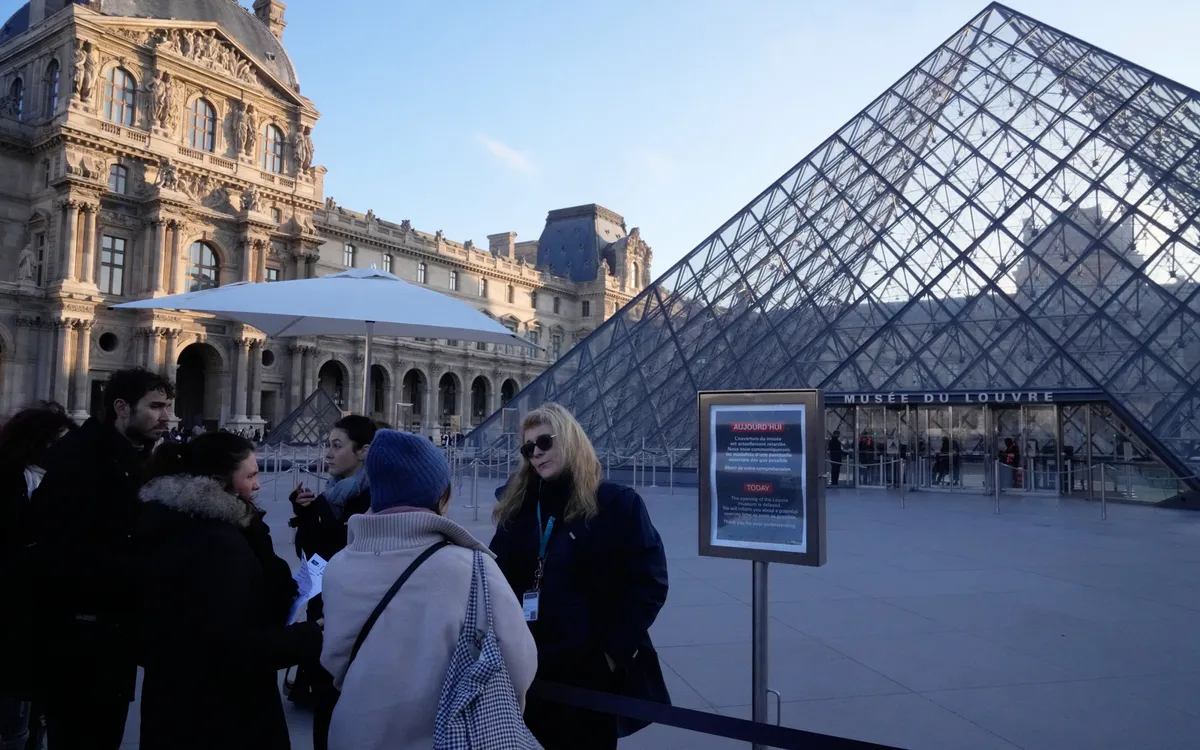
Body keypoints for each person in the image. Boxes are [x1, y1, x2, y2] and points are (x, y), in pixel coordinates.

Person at [320, 430, 537, 750]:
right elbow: (519, 664)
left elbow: (335, 661)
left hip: (354, 733)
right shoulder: (473, 568)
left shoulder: (337, 567)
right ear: (440, 497)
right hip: (444, 737)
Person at [490, 403, 670, 750]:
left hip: (588, 675)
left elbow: (649, 583)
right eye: (528, 448)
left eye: (545, 442)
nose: (537, 454)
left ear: (570, 440)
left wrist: (611, 654)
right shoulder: (520, 508)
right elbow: (495, 576)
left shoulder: (617, 505)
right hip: (528, 667)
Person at [132, 432, 321, 750]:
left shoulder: (174, 520)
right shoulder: (218, 545)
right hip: (220, 715)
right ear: (220, 482)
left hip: (173, 702)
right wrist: (310, 637)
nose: (258, 485)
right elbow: (229, 647)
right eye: (250, 475)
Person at [23, 369, 174, 749]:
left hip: (104, 630)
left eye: (168, 407)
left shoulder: (120, 455)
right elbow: (67, 550)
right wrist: (150, 568)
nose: (166, 417)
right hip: (82, 634)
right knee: (85, 733)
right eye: (155, 407)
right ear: (121, 408)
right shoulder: (83, 460)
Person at [287, 415, 375, 746]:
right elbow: (310, 553)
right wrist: (305, 512)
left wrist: (317, 517)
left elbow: (340, 552)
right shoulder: (334, 492)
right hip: (322, 603)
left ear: (363, 451)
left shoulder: (368, 501)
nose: (328, 453)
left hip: (349, 615)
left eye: (337, 446)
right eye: (327, 444)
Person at [0, 407, 77, 750]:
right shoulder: (11, 483)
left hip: (46, 616)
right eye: (59, 443)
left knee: (37, 715)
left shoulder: (61, 483)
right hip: (14, 613)